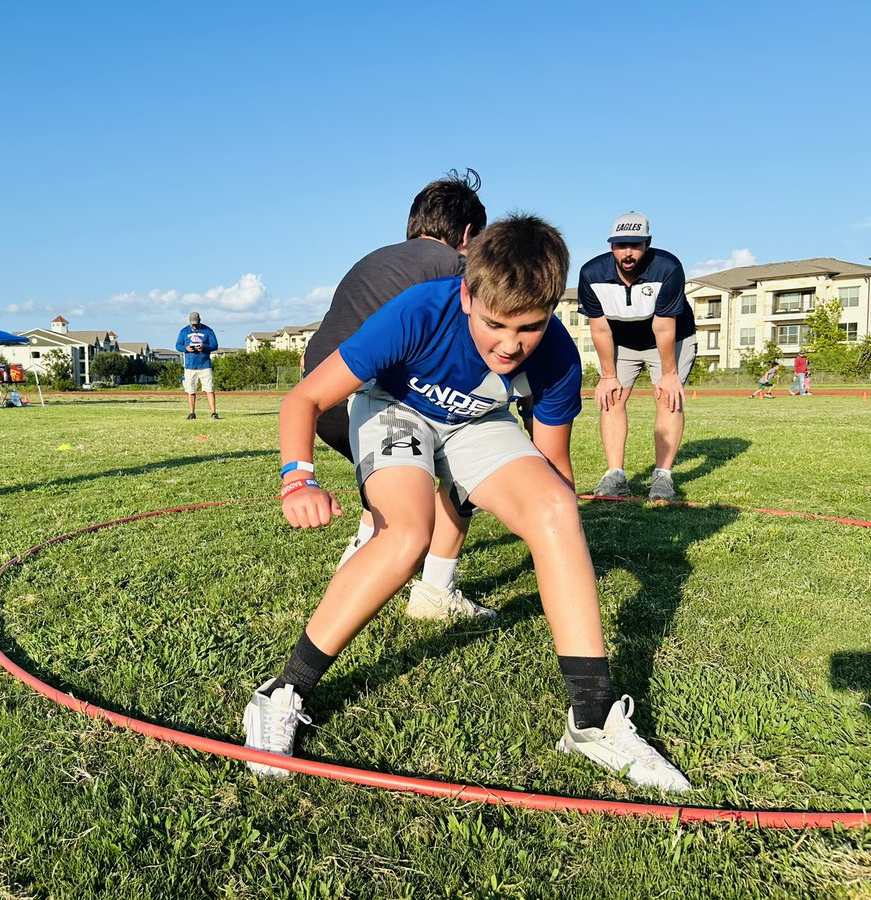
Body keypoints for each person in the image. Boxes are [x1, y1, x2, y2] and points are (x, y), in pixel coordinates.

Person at [242, 215, 692, 793]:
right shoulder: (418, 312)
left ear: (553, 310)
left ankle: (591, 718)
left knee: (556, 509)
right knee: (407, 534)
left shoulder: (555, 356)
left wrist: (554, 529)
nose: (510, 345)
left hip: (475, 421)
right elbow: (303, 398)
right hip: (394, 408)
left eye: (529, 327)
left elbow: (552, 464)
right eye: (495, 325)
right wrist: (297, 479)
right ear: (466, 294)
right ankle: (284, 691)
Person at [301, 170, 492, 618]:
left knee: (390, 487)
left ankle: (354, 571)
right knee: (463, 462)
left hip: (322, 396)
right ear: (468, 234)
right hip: (370, 397)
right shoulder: (455, 269)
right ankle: (435, 590)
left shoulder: (371, 260)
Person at [578, 212, 696, 501]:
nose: (627, 252)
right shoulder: (591, 274)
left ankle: (662, 477)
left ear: (648, 244)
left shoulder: (668, 268)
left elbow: (663, 326)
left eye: (635, 244)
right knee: (612, 397)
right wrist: (608, 376)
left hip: (670, 337)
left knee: (668, 399)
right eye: (620, 245)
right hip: (622, 339)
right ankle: (615, 475)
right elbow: (601, 329)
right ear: (611, 247)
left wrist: (669, 375)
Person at [175, 311, 219, 419]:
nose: (194, 326)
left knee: (209, 389)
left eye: (196, 324)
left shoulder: (208, 331)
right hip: (190, 366)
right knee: (190, 390)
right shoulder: (184, 331)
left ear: (199, 321)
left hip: (205, 365)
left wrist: (204, 347)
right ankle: (192, 413)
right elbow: (178, 345)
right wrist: (186, 349)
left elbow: (214, 345)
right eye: (192, 324)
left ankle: (213, 413)